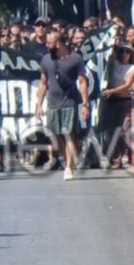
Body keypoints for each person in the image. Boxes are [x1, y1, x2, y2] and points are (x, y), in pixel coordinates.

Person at [34, 32, 90, 181]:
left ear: (58, 43)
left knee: (68, 134)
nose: (46, 45)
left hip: (70, 101)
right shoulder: (46, 59)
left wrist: (85, 104)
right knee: (56, 136)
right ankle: (69, 161)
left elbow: (83, 82)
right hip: (52, 102)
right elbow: (43, 83)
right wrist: (39, 105)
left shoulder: (75, 58)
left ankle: (69, 167)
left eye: (49, 42)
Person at [99, 43, 134, 169]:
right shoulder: (113, 63)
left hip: (124, 100)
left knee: (123, 130)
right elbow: (108, 54)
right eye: (122, 51)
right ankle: (114, 157)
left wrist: (112, 91)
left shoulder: (133, 68)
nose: (124, 54)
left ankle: (122, 155)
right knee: (110, 130)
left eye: (127, 52)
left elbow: (127, 85)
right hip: (111, 101)